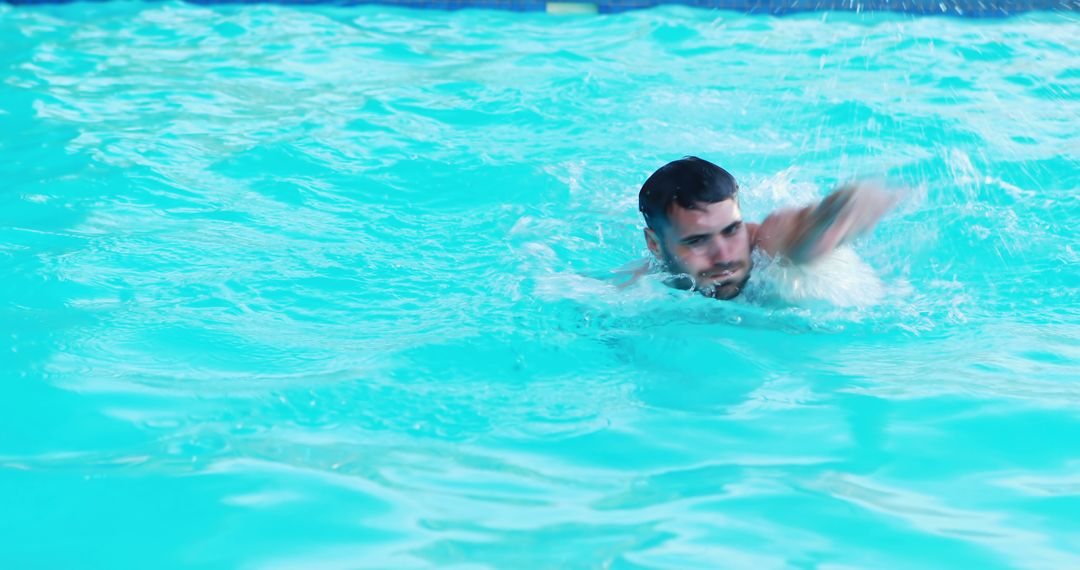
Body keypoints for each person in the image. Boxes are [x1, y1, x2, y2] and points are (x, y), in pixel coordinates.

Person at [630, 156, 897, 300]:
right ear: (654, 244)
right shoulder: (639, 285)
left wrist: (839, 211)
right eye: (697, 241)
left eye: (731, 230)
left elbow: (803, 231)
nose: (724, 256)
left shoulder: (766, 245)